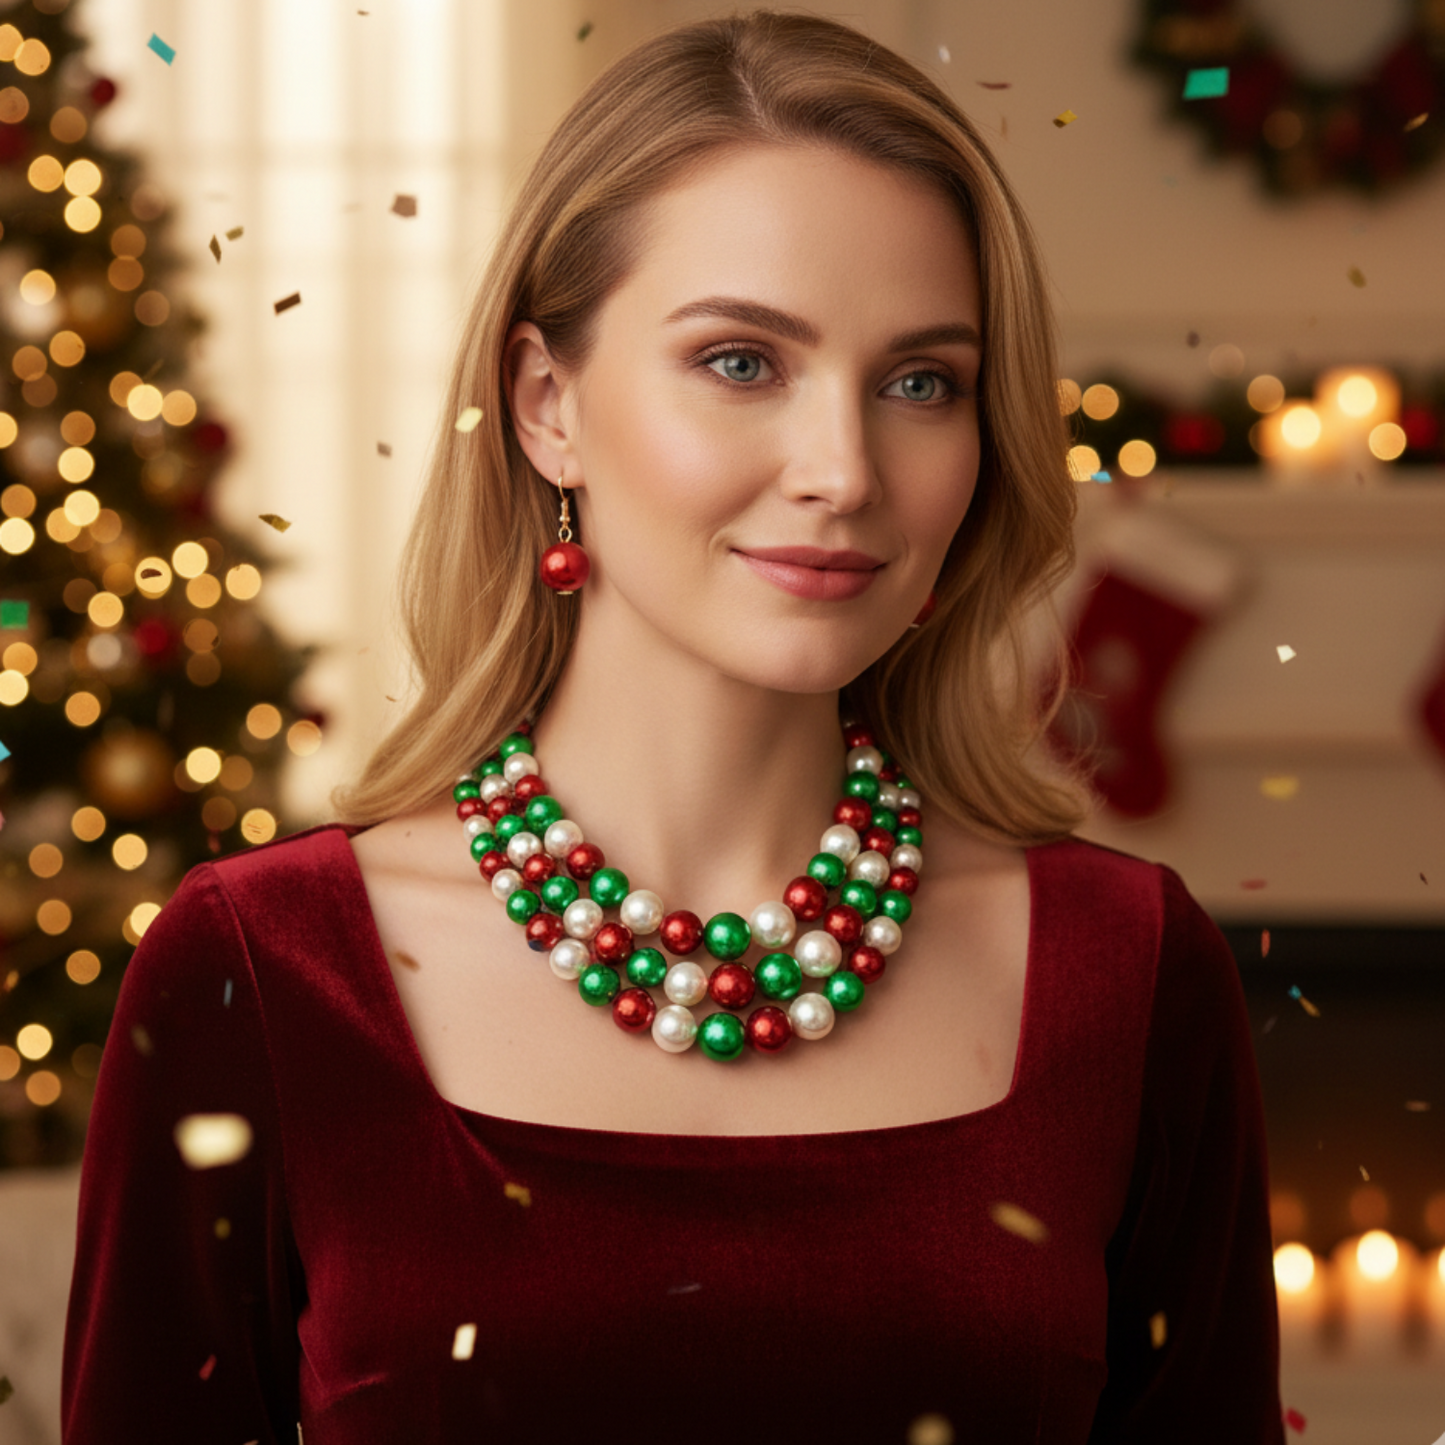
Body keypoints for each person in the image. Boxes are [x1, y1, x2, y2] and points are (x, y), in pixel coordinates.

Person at [61, 10, 1285, 1442]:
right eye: (743, 362)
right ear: (545, 404)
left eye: (919, 383)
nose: (842, 469)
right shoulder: (259, 975)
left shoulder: (1127, 976)